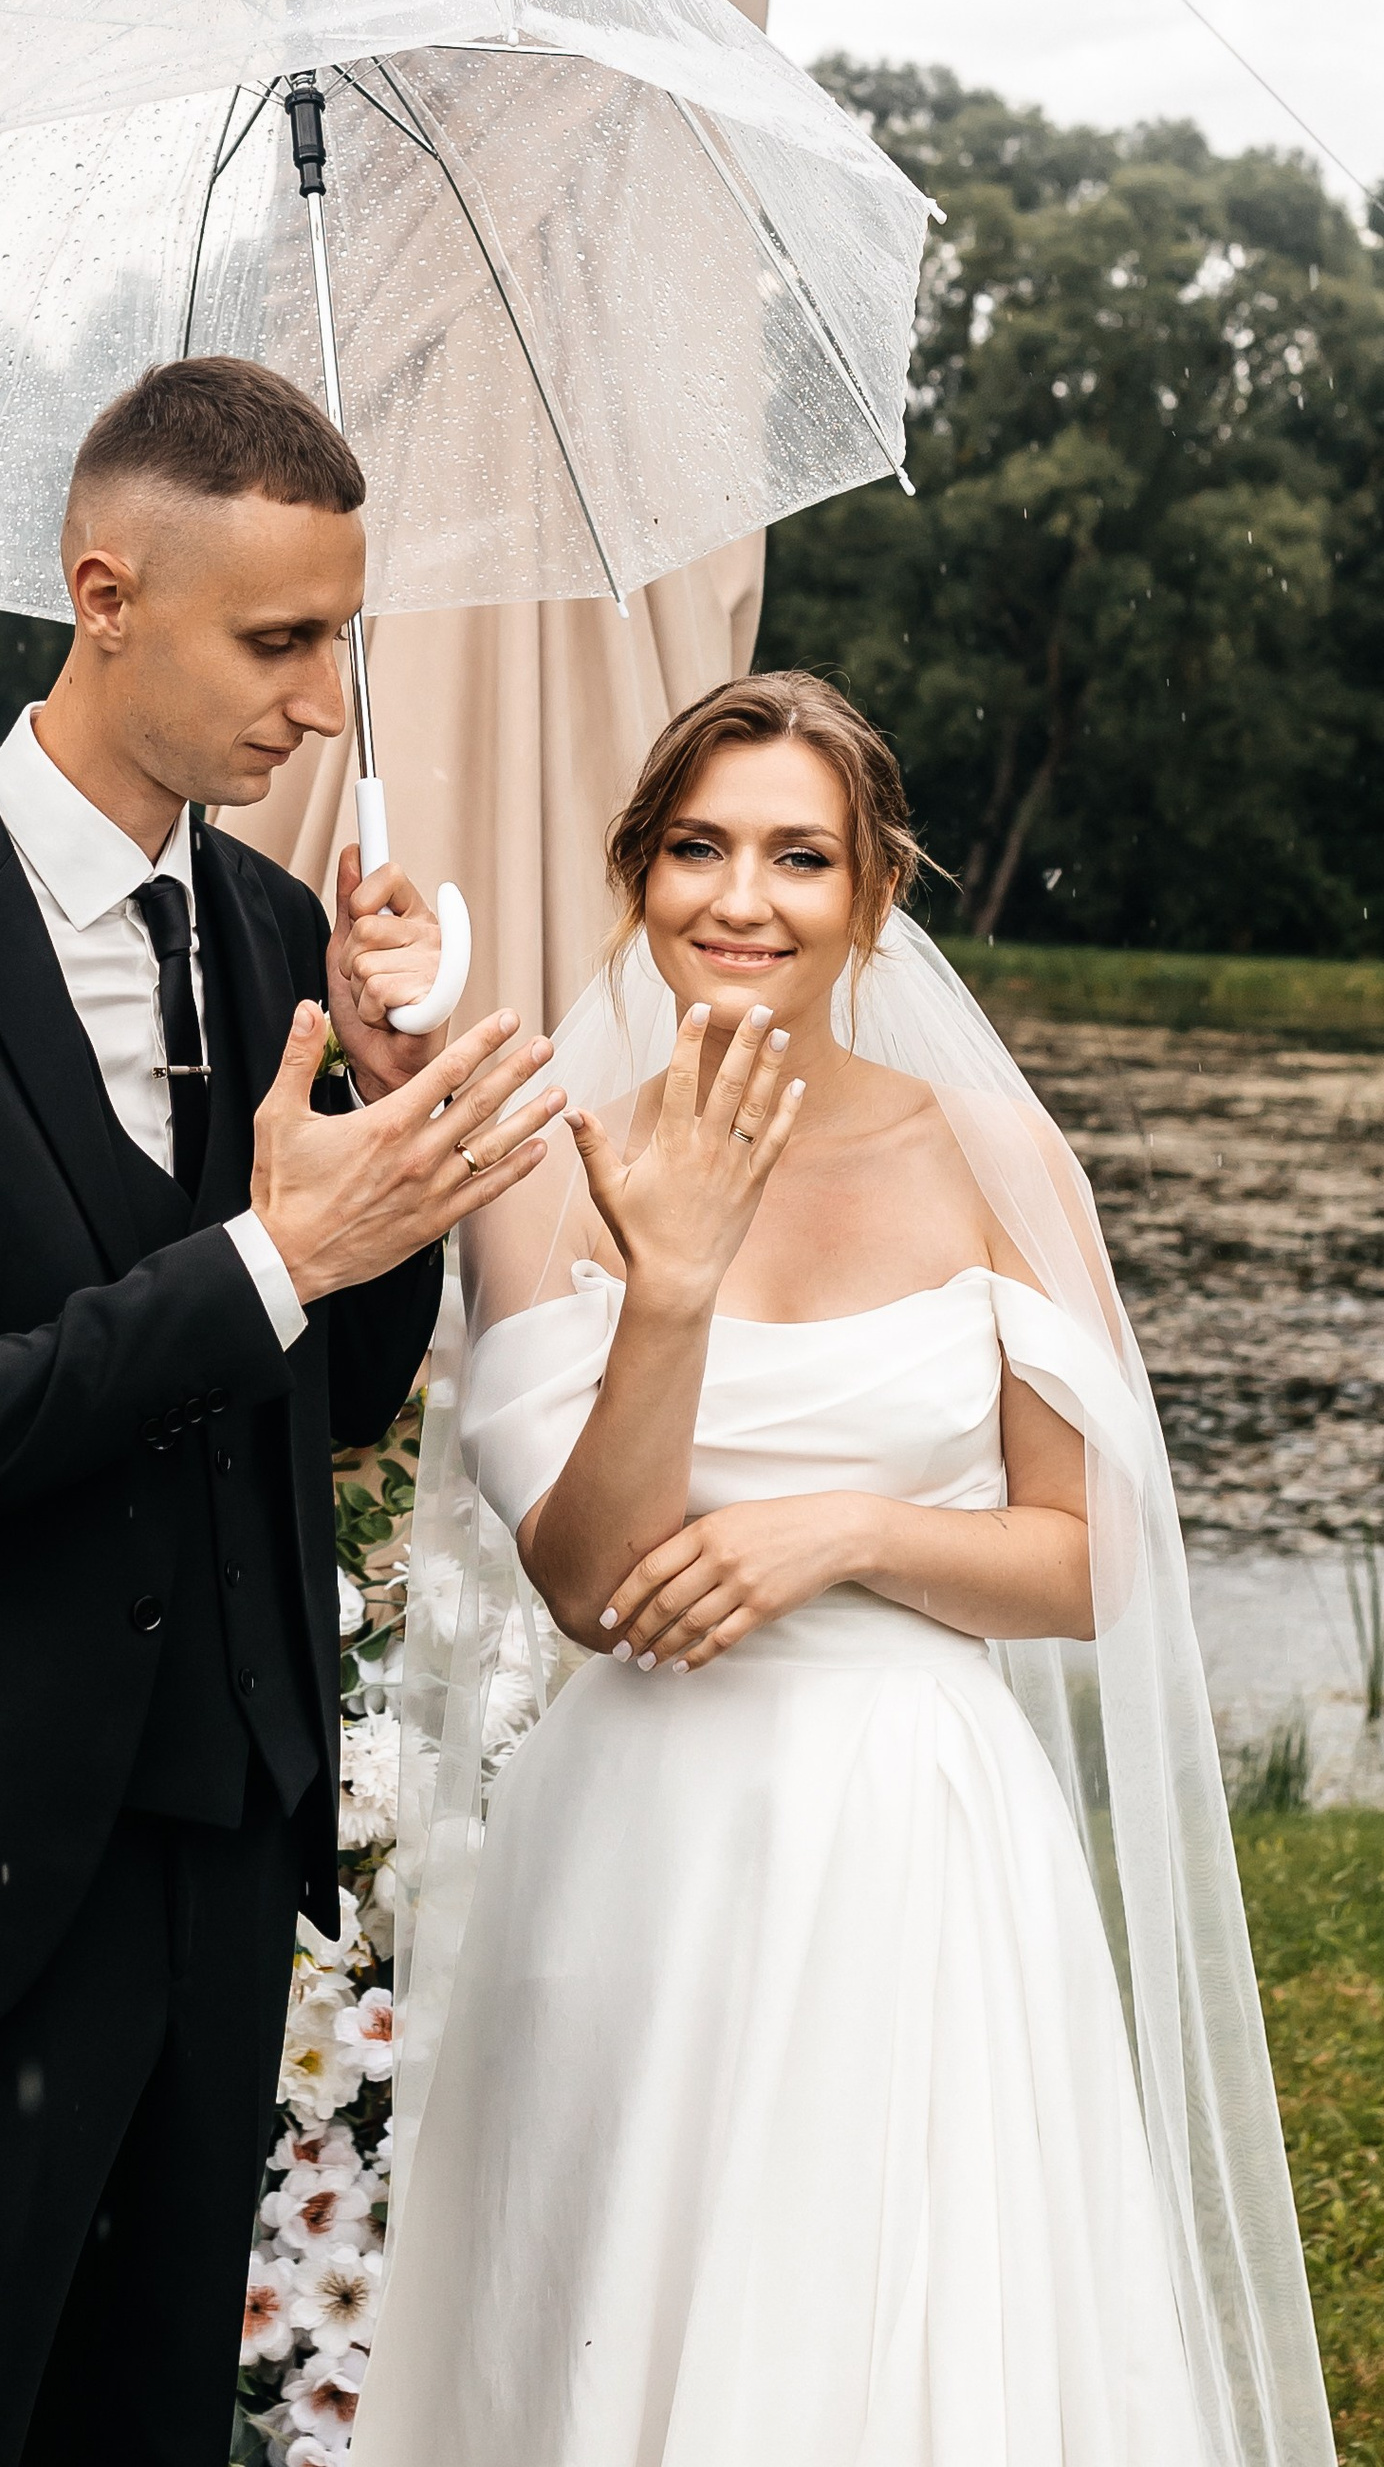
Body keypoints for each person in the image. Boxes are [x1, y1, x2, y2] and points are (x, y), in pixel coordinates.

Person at [0, 357, 564, 2467]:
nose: (324, 704)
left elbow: (334, 1402)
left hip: (219, 1832)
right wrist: (265, 1254)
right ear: (106, 594)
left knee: (150, 2427)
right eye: (279, 641)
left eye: (339, 641)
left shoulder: (274, 935)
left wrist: (376, 1122)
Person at [354, 672, 1334, 2466]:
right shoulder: (547, 1166)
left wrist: (850, 1534)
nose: (744, 898)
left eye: (801, 856)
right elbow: (591, 1582)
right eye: (698, 848)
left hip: (914, 1832)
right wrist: (671, 1286)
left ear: (875, 893)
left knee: (894, 2321)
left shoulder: (994, 1158)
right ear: (637, 875)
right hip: (646, 1839)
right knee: (627, 2312)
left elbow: (1094, 1560)